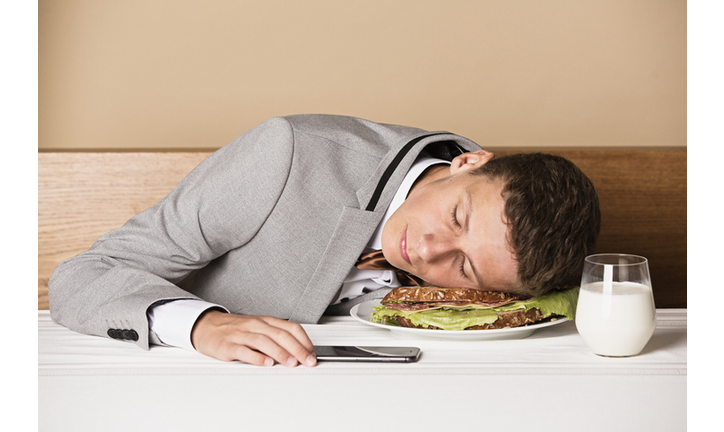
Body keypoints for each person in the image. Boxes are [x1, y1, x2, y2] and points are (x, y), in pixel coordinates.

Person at [48, 114, 600, 368]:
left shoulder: (513, 261)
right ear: (468, 162)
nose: (430, 252)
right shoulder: (287, 155)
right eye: (454, 218)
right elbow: (83, 275)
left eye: (467, 269)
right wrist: (201, 324)